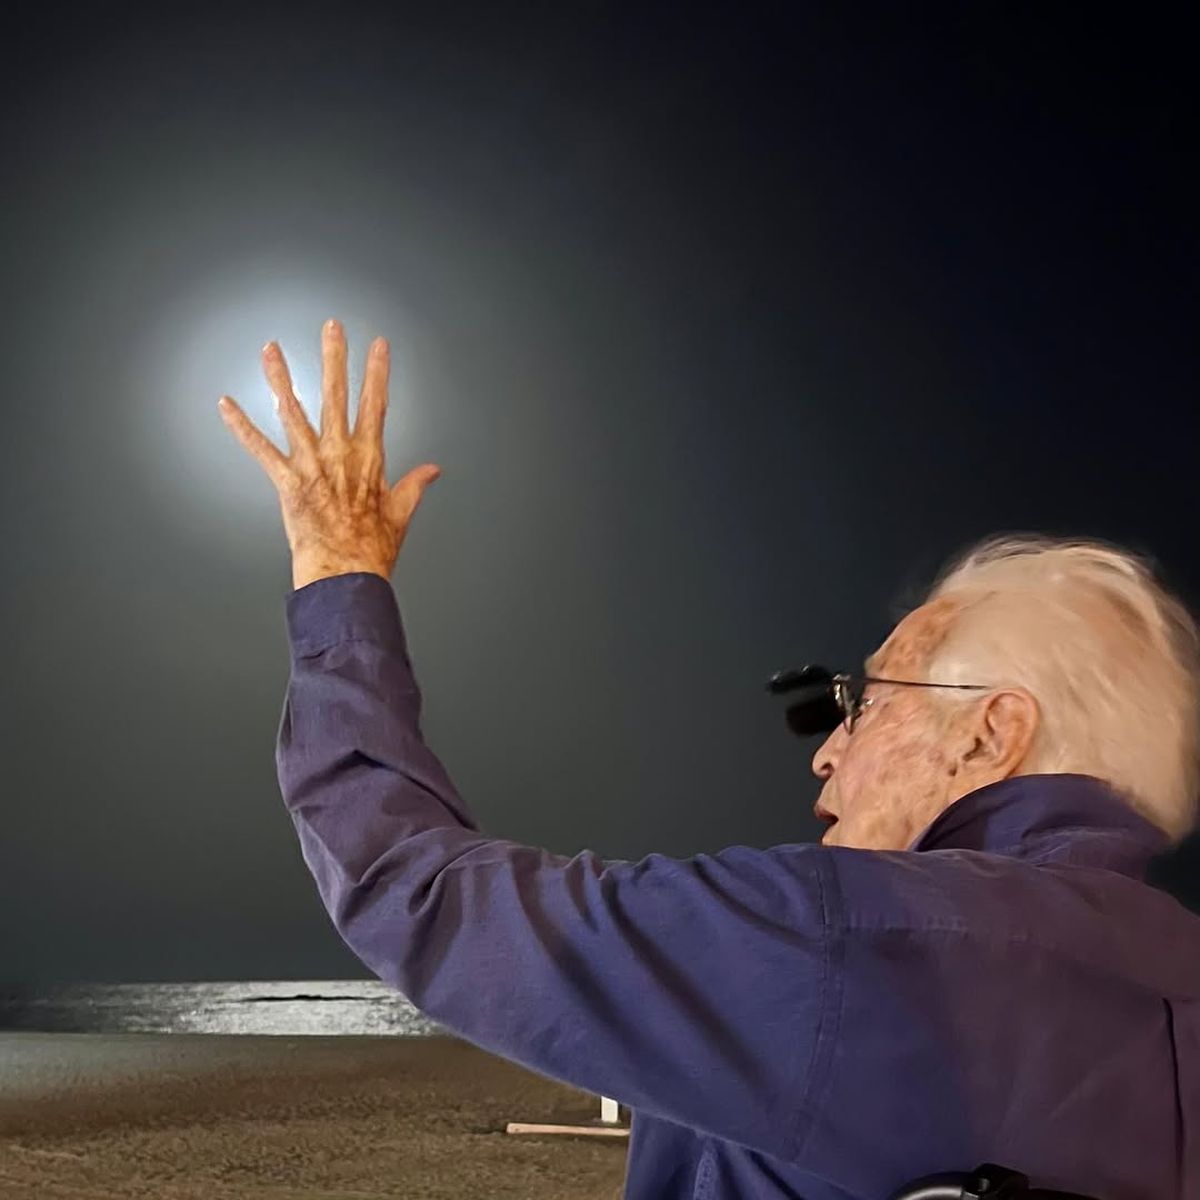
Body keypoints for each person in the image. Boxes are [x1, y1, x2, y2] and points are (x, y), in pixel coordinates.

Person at [218, 320, 1200, 1199]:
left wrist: (340, 573)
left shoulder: (849, 943)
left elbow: (417, 895)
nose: (828, 754)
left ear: (991, 732)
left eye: (867, 701)